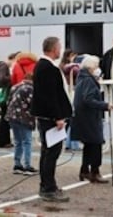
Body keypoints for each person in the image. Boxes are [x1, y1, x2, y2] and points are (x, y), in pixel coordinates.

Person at [31, 36, 73, 203]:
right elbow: (51, 96)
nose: (60, 50)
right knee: (51, 153)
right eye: (59, 47)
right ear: (53, 49)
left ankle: (47, 185)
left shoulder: (42, 66)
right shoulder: (48, 68)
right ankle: (48, 187)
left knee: (47, 152)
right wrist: (58, 117)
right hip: (50, 118)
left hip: (46, 116)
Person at [72, 55, 113, 184]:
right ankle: (95, 172)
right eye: (96, 66)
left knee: (89, 144)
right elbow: (88, 99)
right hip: (90, 117)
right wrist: (105, 105)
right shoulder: (89, 80)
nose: (98, 69)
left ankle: (84, 170)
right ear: (90, 67)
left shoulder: (82, 77)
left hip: (83, 116)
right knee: (96, 144)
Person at [6, 68, 37, 175]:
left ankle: (17, 164)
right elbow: (33, 104)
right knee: (27, 141)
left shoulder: (15, 86)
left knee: (18, 141)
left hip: (12, 116)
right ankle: (27, 166)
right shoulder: (30, 89)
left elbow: (8, 100)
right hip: (24, 117)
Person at [0, 56, 13, 149]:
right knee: (5, 119)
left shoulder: (2, 66)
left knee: (4, 118)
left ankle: (5, 141)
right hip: (5, 96)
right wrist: (12, 77)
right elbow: (2, 79)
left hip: (3, 96)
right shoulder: (4, 66)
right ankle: (3, 141)